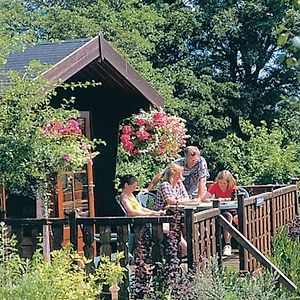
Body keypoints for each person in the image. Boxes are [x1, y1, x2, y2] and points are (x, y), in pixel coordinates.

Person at [203, 170, 238, 256]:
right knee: (227, 217)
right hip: (220, 210)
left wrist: (224, 199)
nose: (222, 185)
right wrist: (213, 199)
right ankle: (227, 244)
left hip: (233, 209)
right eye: (220, 183)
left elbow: (236, 199)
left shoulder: (233, 188)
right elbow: (204, 198)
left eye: (224, 183)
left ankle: (241, 244)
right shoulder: (214, 186)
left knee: (236, 218)